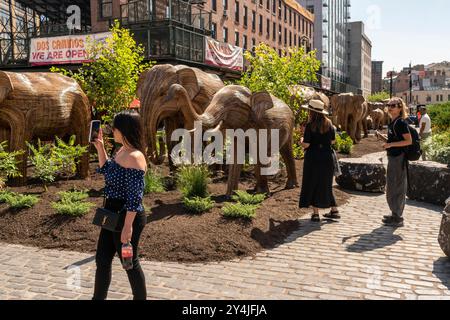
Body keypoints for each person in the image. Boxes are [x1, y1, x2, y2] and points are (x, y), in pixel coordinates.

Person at [92, 111, 148, 300]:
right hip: (111, 213)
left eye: (114, 128)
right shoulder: (122, 150)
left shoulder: (135, 157)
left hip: (127, 215)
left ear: (123, 129)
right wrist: (100, 147)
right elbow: (107, 170)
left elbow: (135, 197)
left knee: (129, 263)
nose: (111, 130)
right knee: (102, 260)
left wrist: (127, 226)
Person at [299, 99, 339, 222]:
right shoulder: (329, 124)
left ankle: (316, 214)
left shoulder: (311, 125)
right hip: (327, 157)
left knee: (313, 183)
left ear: (312, 112)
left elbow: (306, 145)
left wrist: (301, 140)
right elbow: (333, 141)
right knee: (326, 184)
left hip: (313, 158)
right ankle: (334, 210)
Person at [376, 97, 412, 227]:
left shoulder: (401, 123)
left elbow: (408, 141)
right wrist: (384, 139)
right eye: (389, 105)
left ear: (400, 107)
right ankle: (394, 214)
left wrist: (390, 145)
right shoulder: (393, 122)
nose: (390, 107)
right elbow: (395, 140)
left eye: (394, 105)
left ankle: (397, 217)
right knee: (392, 185)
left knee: (397, 186)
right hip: (393, 157)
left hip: (398, 158)